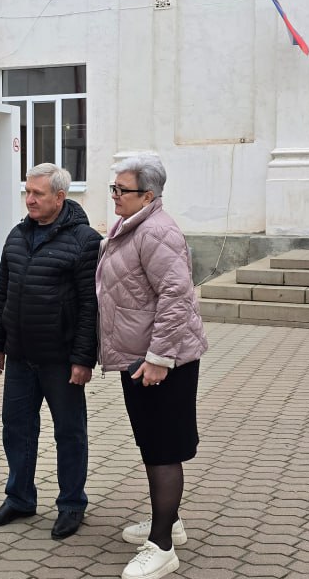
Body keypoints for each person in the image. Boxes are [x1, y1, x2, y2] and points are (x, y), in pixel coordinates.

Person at [96, 154, 207, 579]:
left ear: (149, 195)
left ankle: (161, 546)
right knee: (152, 444)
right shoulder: (133, 227)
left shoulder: (158, 231)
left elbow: (177, 297)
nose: (114, 197)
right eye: (113, 189)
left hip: (161, 361)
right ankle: (169, 520)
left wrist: (160, 358)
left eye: (121, 190)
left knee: (164, 450)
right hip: (138, 358)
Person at [0, 163, 101, 540]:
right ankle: (19, 498)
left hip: (61, 360)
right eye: (27, 192)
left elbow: (90, 307)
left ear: (60, 198)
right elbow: (3, 291)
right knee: (16, 430)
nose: (29, 200)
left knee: (69, 433)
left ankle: (71, 504)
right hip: (20, 356)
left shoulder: (85, 241)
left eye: (37, 194)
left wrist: (83, 358)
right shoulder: (18, 235)